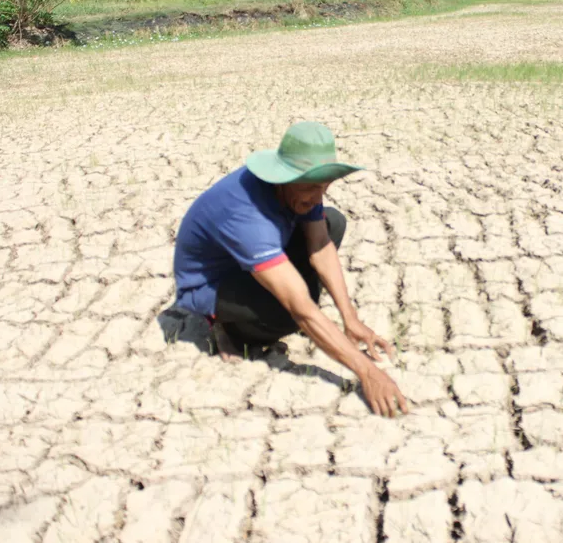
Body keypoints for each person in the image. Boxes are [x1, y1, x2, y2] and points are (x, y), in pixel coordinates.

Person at [171, 121, 408, 418]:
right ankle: (227, 327)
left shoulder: (300, 191)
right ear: (282, 177)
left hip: (250, 261)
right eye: (309, 186)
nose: (316, 195)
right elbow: (301, 310)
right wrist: (369, 373)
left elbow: (320, 244)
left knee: (332, 223)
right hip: (214, 284)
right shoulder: (248, 215)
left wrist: (351, 319)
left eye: (323, 186)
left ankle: (285, 306)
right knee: (288, 315)